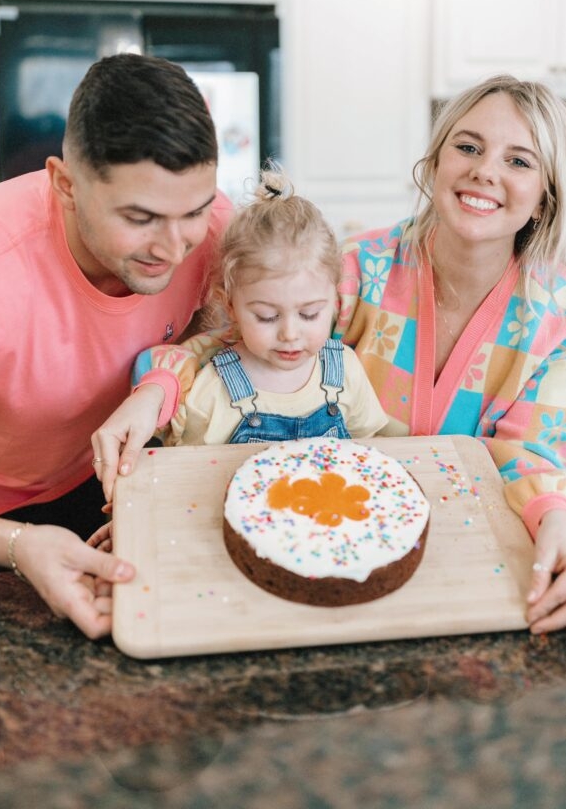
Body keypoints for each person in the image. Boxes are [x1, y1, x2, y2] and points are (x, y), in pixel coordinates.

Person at [93, 74, 566, 635]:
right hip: (313, 538)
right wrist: (156, 391)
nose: (485, 170)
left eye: (519, 160)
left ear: (545, 197)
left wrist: (552, 514)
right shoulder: (355, 268)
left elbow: (531, 450)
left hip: (464, 564)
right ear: (436, 163)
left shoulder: (553, 320)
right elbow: (227, 346)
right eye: (468, 147)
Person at [0, 52, 233, 636]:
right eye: (141, 217)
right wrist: (20, 546)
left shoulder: (214, 229)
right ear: (65, 185)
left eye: (193, 212)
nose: (175, 248)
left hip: (112, 485)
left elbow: (227, 333)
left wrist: (161, 384)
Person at [94, 167, 386, 468]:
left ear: (334, 300)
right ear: (230, 305)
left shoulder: (346, 373)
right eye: (267, 316)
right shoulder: (212, 391)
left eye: (309, 314)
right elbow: (186, 474)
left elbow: (368, 449)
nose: (289, 333)